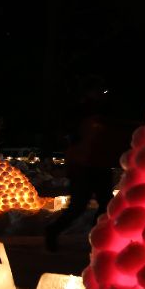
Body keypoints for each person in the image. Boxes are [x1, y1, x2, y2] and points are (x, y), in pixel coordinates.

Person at [45, 80, 129, 251]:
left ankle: (98, 237)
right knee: (79, 205)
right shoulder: (80, 112)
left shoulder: (103, 111)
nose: (100, 93)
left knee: (106, 204)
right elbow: (71, 136)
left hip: (99, 164)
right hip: (83, 166)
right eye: (97, 90)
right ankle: (53, 232)